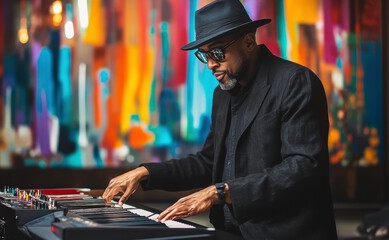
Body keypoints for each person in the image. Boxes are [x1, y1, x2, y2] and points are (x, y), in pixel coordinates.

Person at [103, 0, 338, 239]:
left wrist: (220, 192)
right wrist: (146, 173)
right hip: (229, 232)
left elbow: (304, 168)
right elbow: (209, 163)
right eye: (204, 55)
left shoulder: (295, 82)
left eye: (217, 52)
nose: (211, 64)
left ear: (248, 42)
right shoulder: (222, 94)